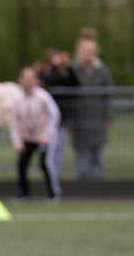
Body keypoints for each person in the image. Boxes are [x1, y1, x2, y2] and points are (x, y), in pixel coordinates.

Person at [10, 67, 60, 203]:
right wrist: (17, 141)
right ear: (20, 80)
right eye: (25, 78)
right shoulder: (17, 98)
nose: (28, 81)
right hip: (28, 137)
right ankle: (23, 194)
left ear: (36, 80)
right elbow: (14, 121)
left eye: (31, 78)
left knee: (45, 163)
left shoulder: (43, 96)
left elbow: (54, 115)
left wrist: (46, 135)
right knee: (22, 164)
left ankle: (53, 194)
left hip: (44, 137)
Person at [69, 37, 113, 180]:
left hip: (97, 121)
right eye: (85, 50)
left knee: (97, 157)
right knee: (82, 158)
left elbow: (108, 95)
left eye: (91, 51)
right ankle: (81, 187)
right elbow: (67, 97)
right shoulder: (72, 70)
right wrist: (69, 121)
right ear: (78, 51)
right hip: (79, 122)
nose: (88, 54)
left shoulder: (102, 70)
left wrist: (108, 116)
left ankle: (97, 187)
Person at [35, 48, 76, 200]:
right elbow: (49, 83)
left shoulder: (62, 75)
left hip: (60, 122)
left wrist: (69, 67)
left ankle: (54, 186)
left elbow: (75, 84)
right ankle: (50, 186)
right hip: (44, 125)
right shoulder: (42, 75)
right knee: (47, 159)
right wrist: (54, 67)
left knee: (57, 156)